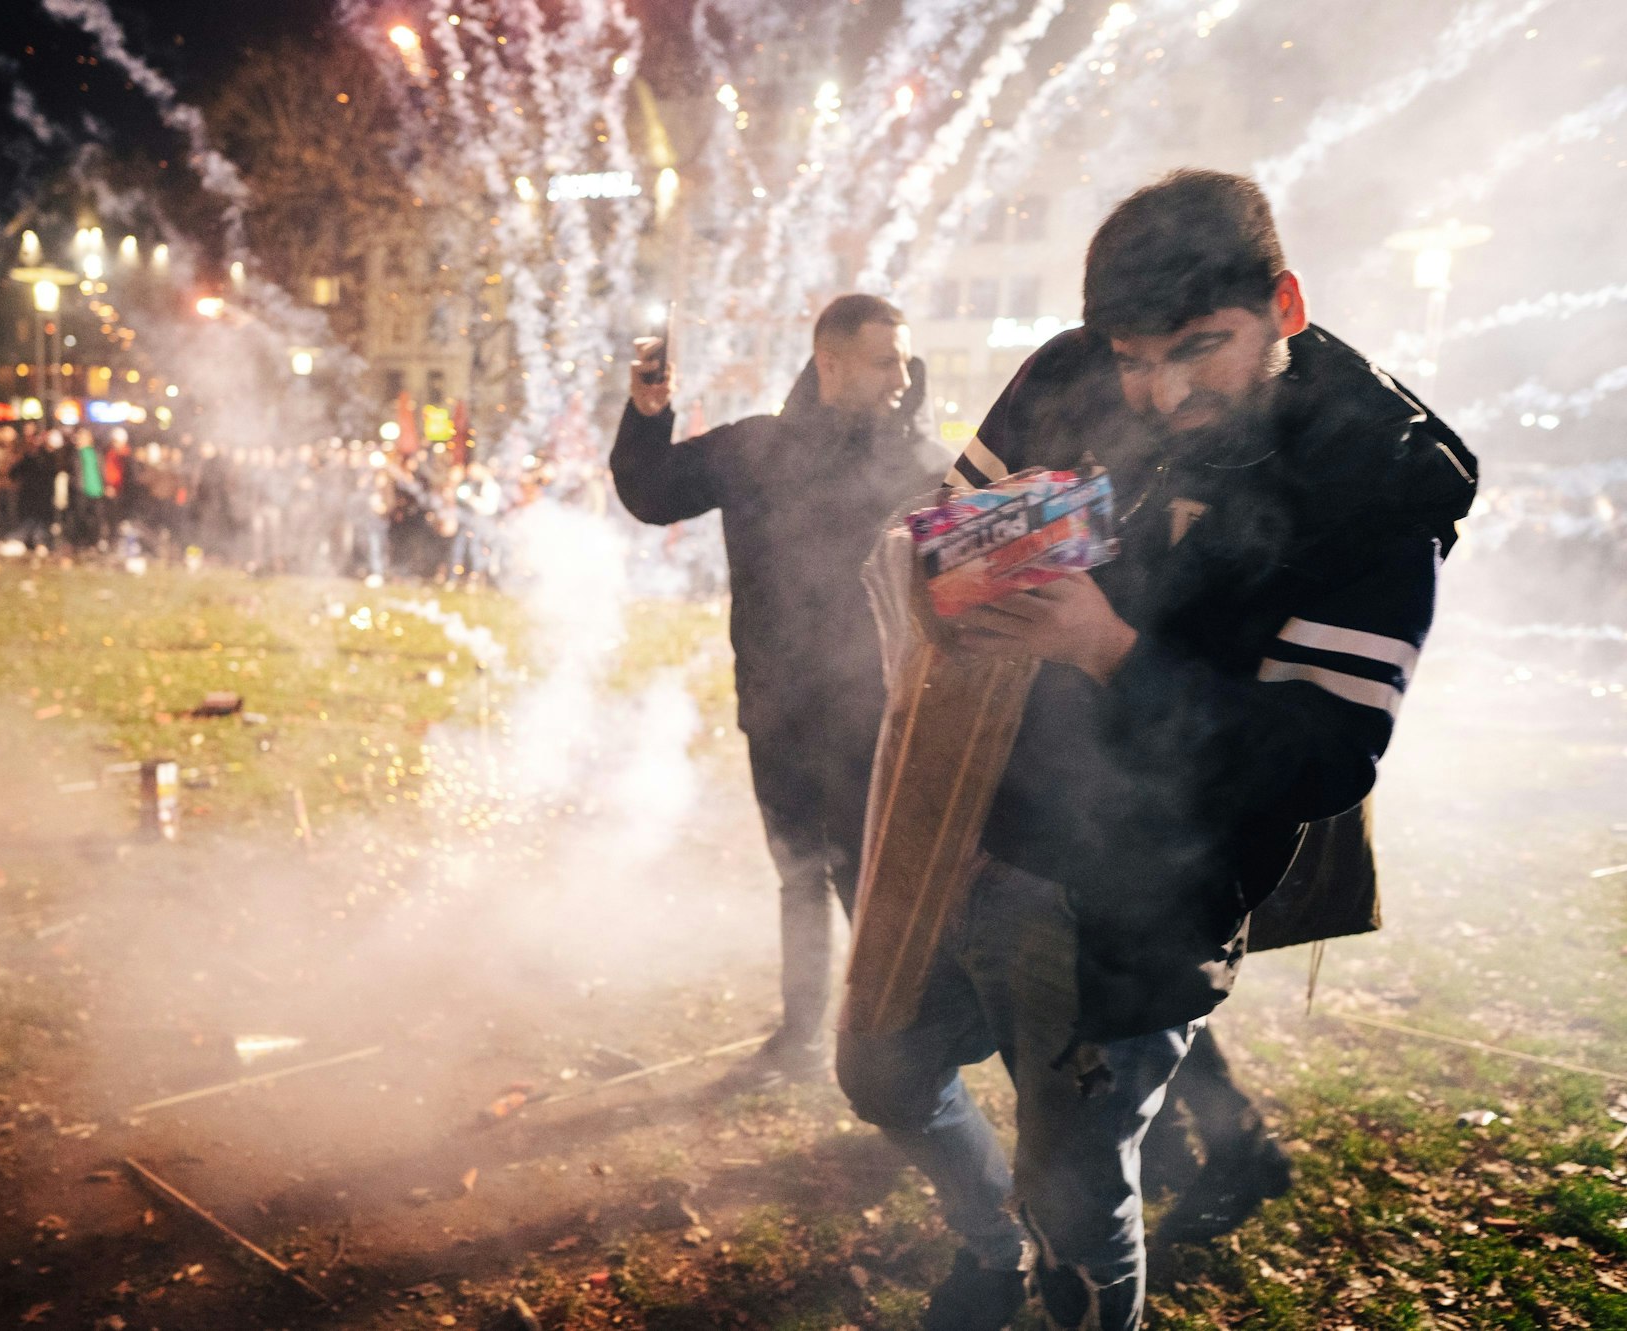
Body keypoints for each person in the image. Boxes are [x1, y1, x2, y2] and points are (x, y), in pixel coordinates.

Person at [833, 170, 1478, 1331]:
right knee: (879, 1069)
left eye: (1198, 348)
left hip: (1138, 894)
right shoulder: (1068, 370)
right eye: (1135, 357)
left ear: (1281, 303)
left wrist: (1111, 650)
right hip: (970, 817)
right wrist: (946, 552)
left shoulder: (1373, 473)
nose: (1162, 390)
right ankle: (991, 1252)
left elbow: (1321, 755)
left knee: (1074, 1191)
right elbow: (927, 528)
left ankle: (1067, 1287)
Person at [612, 293, 943, 1086]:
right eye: (884, 359)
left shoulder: (924, 466)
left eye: (904, 357)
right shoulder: (757, 448)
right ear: (830, 362)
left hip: (879, 716)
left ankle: (897, 1056)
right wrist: (648, 411)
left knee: (869, 884)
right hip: (777, 711)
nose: (904, 374)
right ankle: (800, 1036)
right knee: (799, 873)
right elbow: (651, 493)